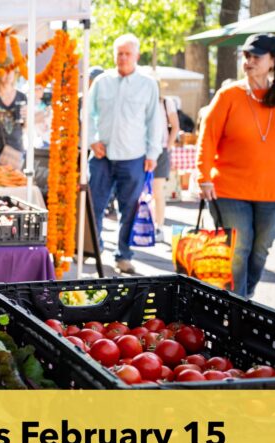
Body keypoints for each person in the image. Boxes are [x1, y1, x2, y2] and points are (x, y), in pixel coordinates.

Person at [196, 33, 275, 298]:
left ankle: (244, 300)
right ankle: (237, 308)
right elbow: (207, 137)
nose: (249, 61)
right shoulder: (229, 95)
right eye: (246, 55)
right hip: (229, 189)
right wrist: (203, 176)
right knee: (237, 250)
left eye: (256, 56)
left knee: (260, 252)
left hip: (274, 192)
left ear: (273, 61)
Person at [86, 33, 163, 275]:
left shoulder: (148, 84)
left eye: (127, 53)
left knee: (129, 209)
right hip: (102, 157)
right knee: (94, 205)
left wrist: (152, 154)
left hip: (134, 158)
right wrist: (91, 140)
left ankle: (123, 255)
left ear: (136, 56)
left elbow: (154, 120)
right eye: (119, 53)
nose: (123, 58)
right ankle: (94, 248)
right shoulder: (102, 82)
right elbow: (87, 114)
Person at [151, 94, 180, 241]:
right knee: (141, 192)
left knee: (157, 190)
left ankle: (158, 227)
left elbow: (175, 125)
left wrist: (168, 146)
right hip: (140, 149)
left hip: (160, 150)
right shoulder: (139, 98)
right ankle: (144, 225)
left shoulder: (165, 102)